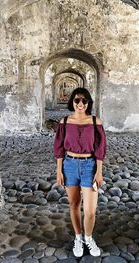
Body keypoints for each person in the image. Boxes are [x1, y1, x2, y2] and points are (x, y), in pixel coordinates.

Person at [53, 87, 107, 257]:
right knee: (74, 204)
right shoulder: (64, 121)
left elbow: (100, 147)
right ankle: (78, 237)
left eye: (84, 100)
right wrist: (59, 170)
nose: (80, 104)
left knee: (90, 210)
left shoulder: (94, 121)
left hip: (89, 165)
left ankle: (88, 238)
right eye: (77, 100)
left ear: (88, 102)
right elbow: (59, 147)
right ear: (72, 102)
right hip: (69, 165)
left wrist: (99, 172)